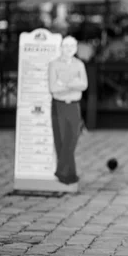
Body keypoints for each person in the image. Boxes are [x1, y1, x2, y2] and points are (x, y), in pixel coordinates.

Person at [47, 36, 88, 185]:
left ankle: (61, 170)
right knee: (61, 138)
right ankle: (68, 175)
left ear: (76, 48)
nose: (69, 49)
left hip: (74, 105)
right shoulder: (54, 64)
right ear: (61, 47)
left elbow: (83, 85)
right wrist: (72, 84)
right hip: (59, 104)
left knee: (72, 138)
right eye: (66, 46)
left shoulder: (79, 65)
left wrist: (64, 84)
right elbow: (53, 88)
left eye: (72, 46)